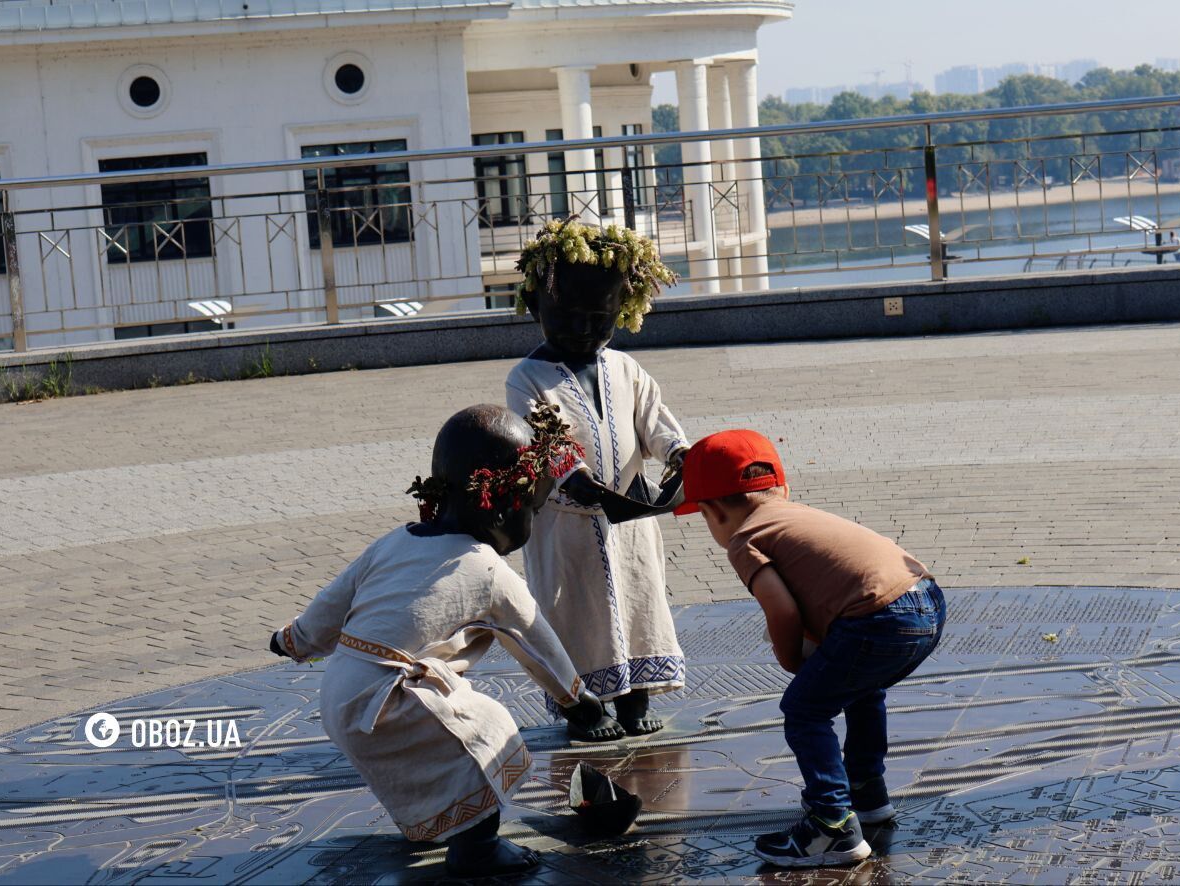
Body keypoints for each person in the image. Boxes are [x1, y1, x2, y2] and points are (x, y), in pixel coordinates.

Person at [268, 403, 621, 877]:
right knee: (483, 731)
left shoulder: (395, 541)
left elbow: (329, 606)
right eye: (533, 510)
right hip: (388, 698)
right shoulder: (484, 566)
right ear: (504, 504)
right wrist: (579, 702)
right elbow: (536, 642)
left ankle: (438, 821)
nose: (532, 523)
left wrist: (292, 640)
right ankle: (476, 850)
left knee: (435, 744)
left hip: (339, 695)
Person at [673, 429, 945, 868]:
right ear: (781, 488)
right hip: (926, 600)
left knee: (804, 709)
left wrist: (791, 661)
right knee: (860, 688)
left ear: (713, 511)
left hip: (878, 619)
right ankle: (867, 792)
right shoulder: (795, 514)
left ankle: (831, 826)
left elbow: (781, 612)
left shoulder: (746, 540)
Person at [507, 218, 688, 739]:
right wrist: (577, 478)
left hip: (629, 523)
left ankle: (635, 699)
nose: (583, 331)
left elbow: (656, 424)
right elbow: (549, 443)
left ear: (621, 314)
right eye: (568, 319)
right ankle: (582, 706)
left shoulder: (626, 369)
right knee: (574, 613)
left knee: (639, 603)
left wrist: (679, 455)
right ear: (537, 308)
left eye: (599, 320)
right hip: (566, 526)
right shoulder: (527, 378)